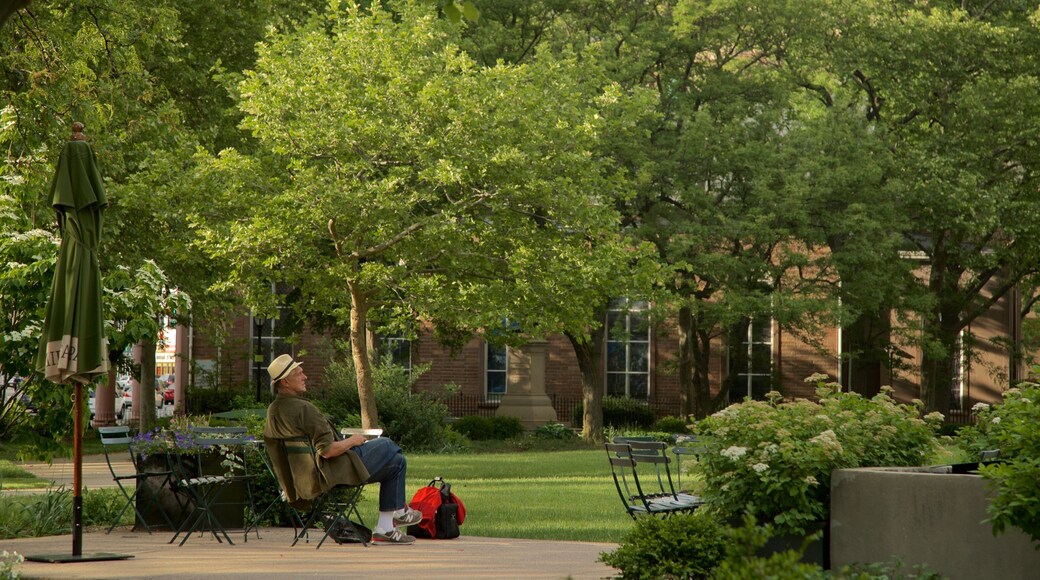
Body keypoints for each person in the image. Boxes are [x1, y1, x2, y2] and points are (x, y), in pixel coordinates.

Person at [263, 354, 421, 545]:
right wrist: (353, 441)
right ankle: (400, 511)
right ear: (286, 382)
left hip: (301, 479)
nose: (305, 376)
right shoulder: (305, 409)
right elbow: (327, 451)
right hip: (330, 473)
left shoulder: (273, 411)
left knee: (397, 463)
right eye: (299, 373)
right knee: (387, 444)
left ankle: (386, 529)